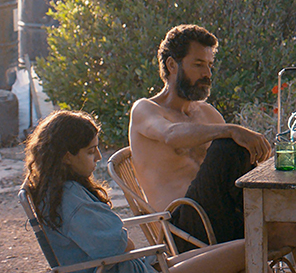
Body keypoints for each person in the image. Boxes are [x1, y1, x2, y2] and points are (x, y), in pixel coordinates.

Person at [129, 24, 296, 272]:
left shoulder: (207, 113)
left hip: (229, 219)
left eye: (210, 65)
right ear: (172, 65)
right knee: (228, 144)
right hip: (185, 230)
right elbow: (170, 135)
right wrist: (231, 130)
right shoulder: (146, 109)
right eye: (199, 64)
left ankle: (280, 228)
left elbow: (235, 170)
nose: (207, 73)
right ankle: (274, 232)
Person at [22, 110, 255, 273]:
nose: (99, 157)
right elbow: (122, 247)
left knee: (245, 244)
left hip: (140, 265)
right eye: (91, 151)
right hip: (135, 269)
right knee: (251, 247)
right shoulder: (73, 201)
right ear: (66, 157)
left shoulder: (56, 191)